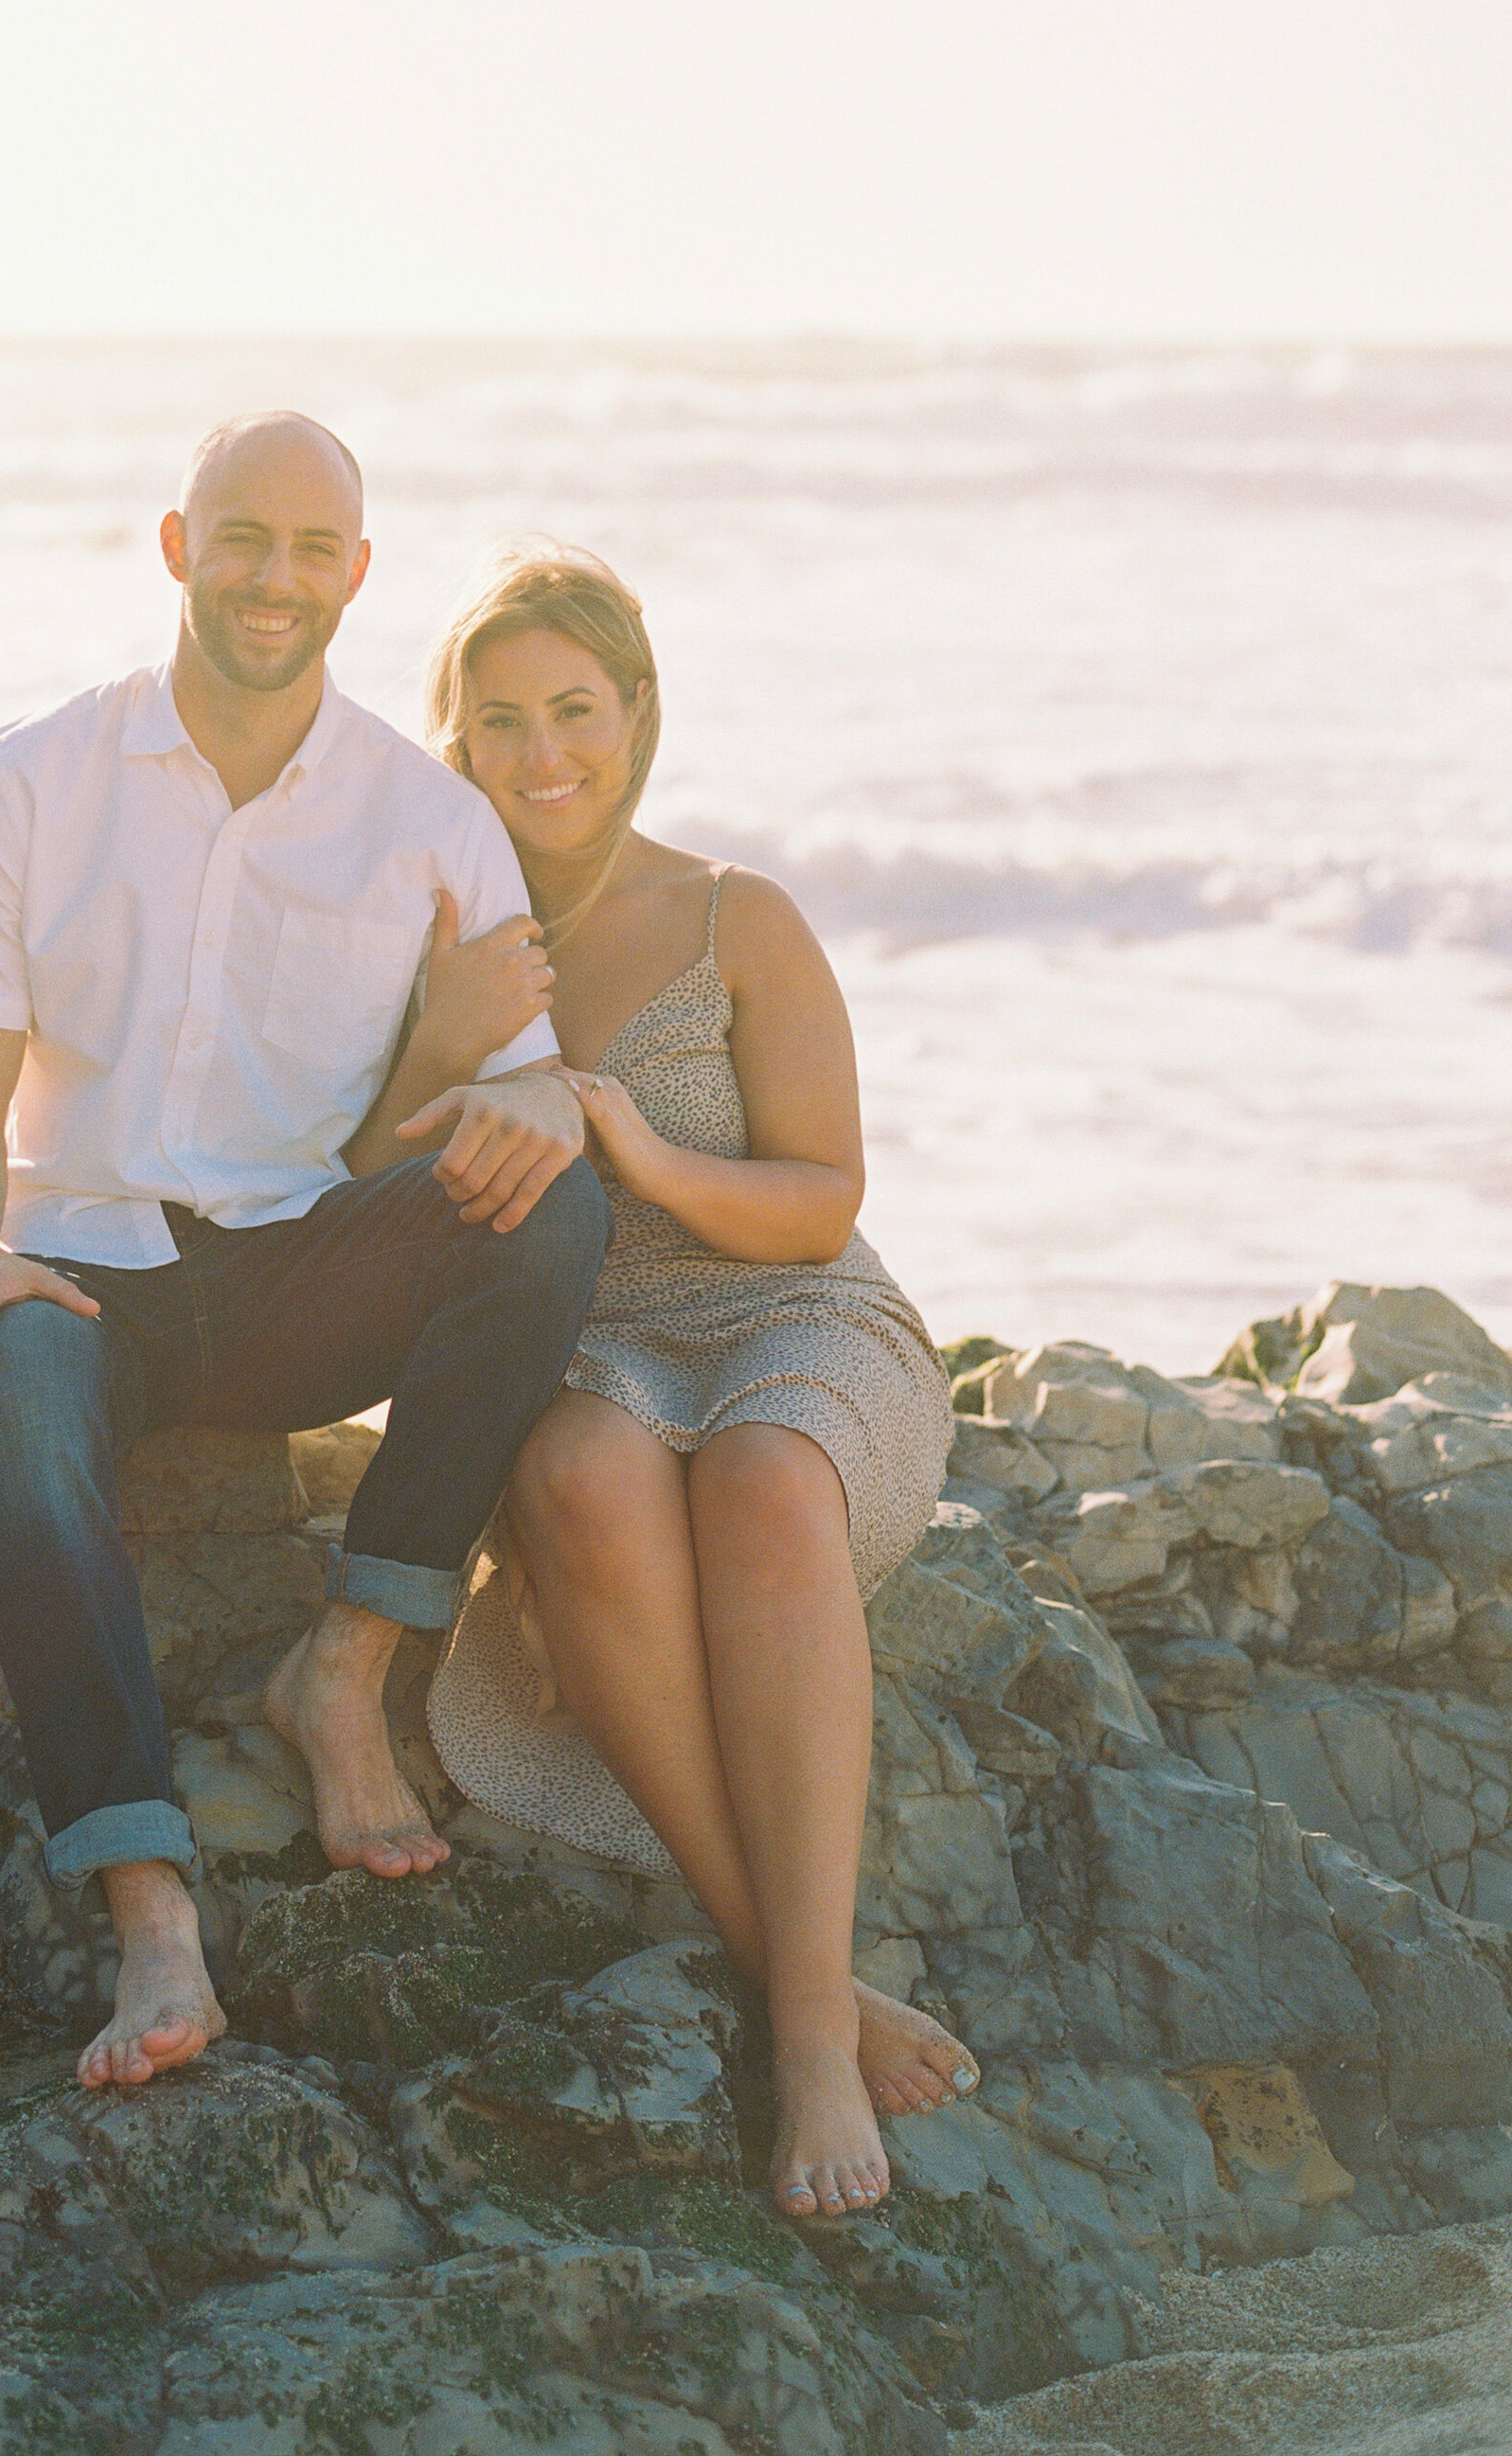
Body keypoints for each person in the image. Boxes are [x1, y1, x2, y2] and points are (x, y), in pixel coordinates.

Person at [0, 418, 610, 2094]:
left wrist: (546, 1101)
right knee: (14, 1390)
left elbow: (515, 1102)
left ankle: (343, 1671)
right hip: (79, 1272)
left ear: (359, 573)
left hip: (299, 1275)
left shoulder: (430, 825)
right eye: (241, 538)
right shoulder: (23, 788)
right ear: (174, 545)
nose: (274, 577)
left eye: (311, 548)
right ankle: (151, 1908)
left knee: (546, 1201)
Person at [401, 544, 973, 2222]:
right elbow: (351, 1179)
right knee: (577, 1480)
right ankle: (808, 1977)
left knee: (763, 1480)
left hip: (791, 1314)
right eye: (499, 720)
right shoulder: (436, 935)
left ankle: (803, 2037)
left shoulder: (741, 916)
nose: (543, 752)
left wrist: (637, 1147)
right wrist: (446, 1041)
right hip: (585, 1342)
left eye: (574, 711)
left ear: (635, 717)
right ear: (457, 743)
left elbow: (823, 1195)